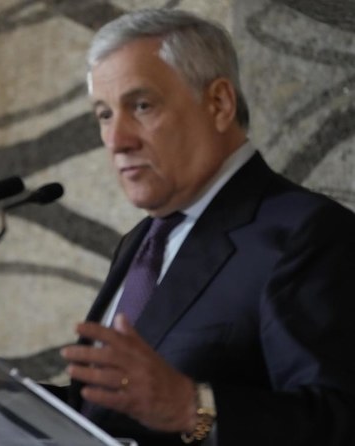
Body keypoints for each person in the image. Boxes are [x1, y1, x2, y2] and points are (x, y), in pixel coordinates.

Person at [58, 8, 355, 446]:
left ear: (218, 103)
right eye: (104, 114)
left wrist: (191, 409)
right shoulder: (139, 242)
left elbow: (338, 423)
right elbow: (103, 419)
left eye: (141, 106)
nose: (117, 139)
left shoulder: (304, 234)